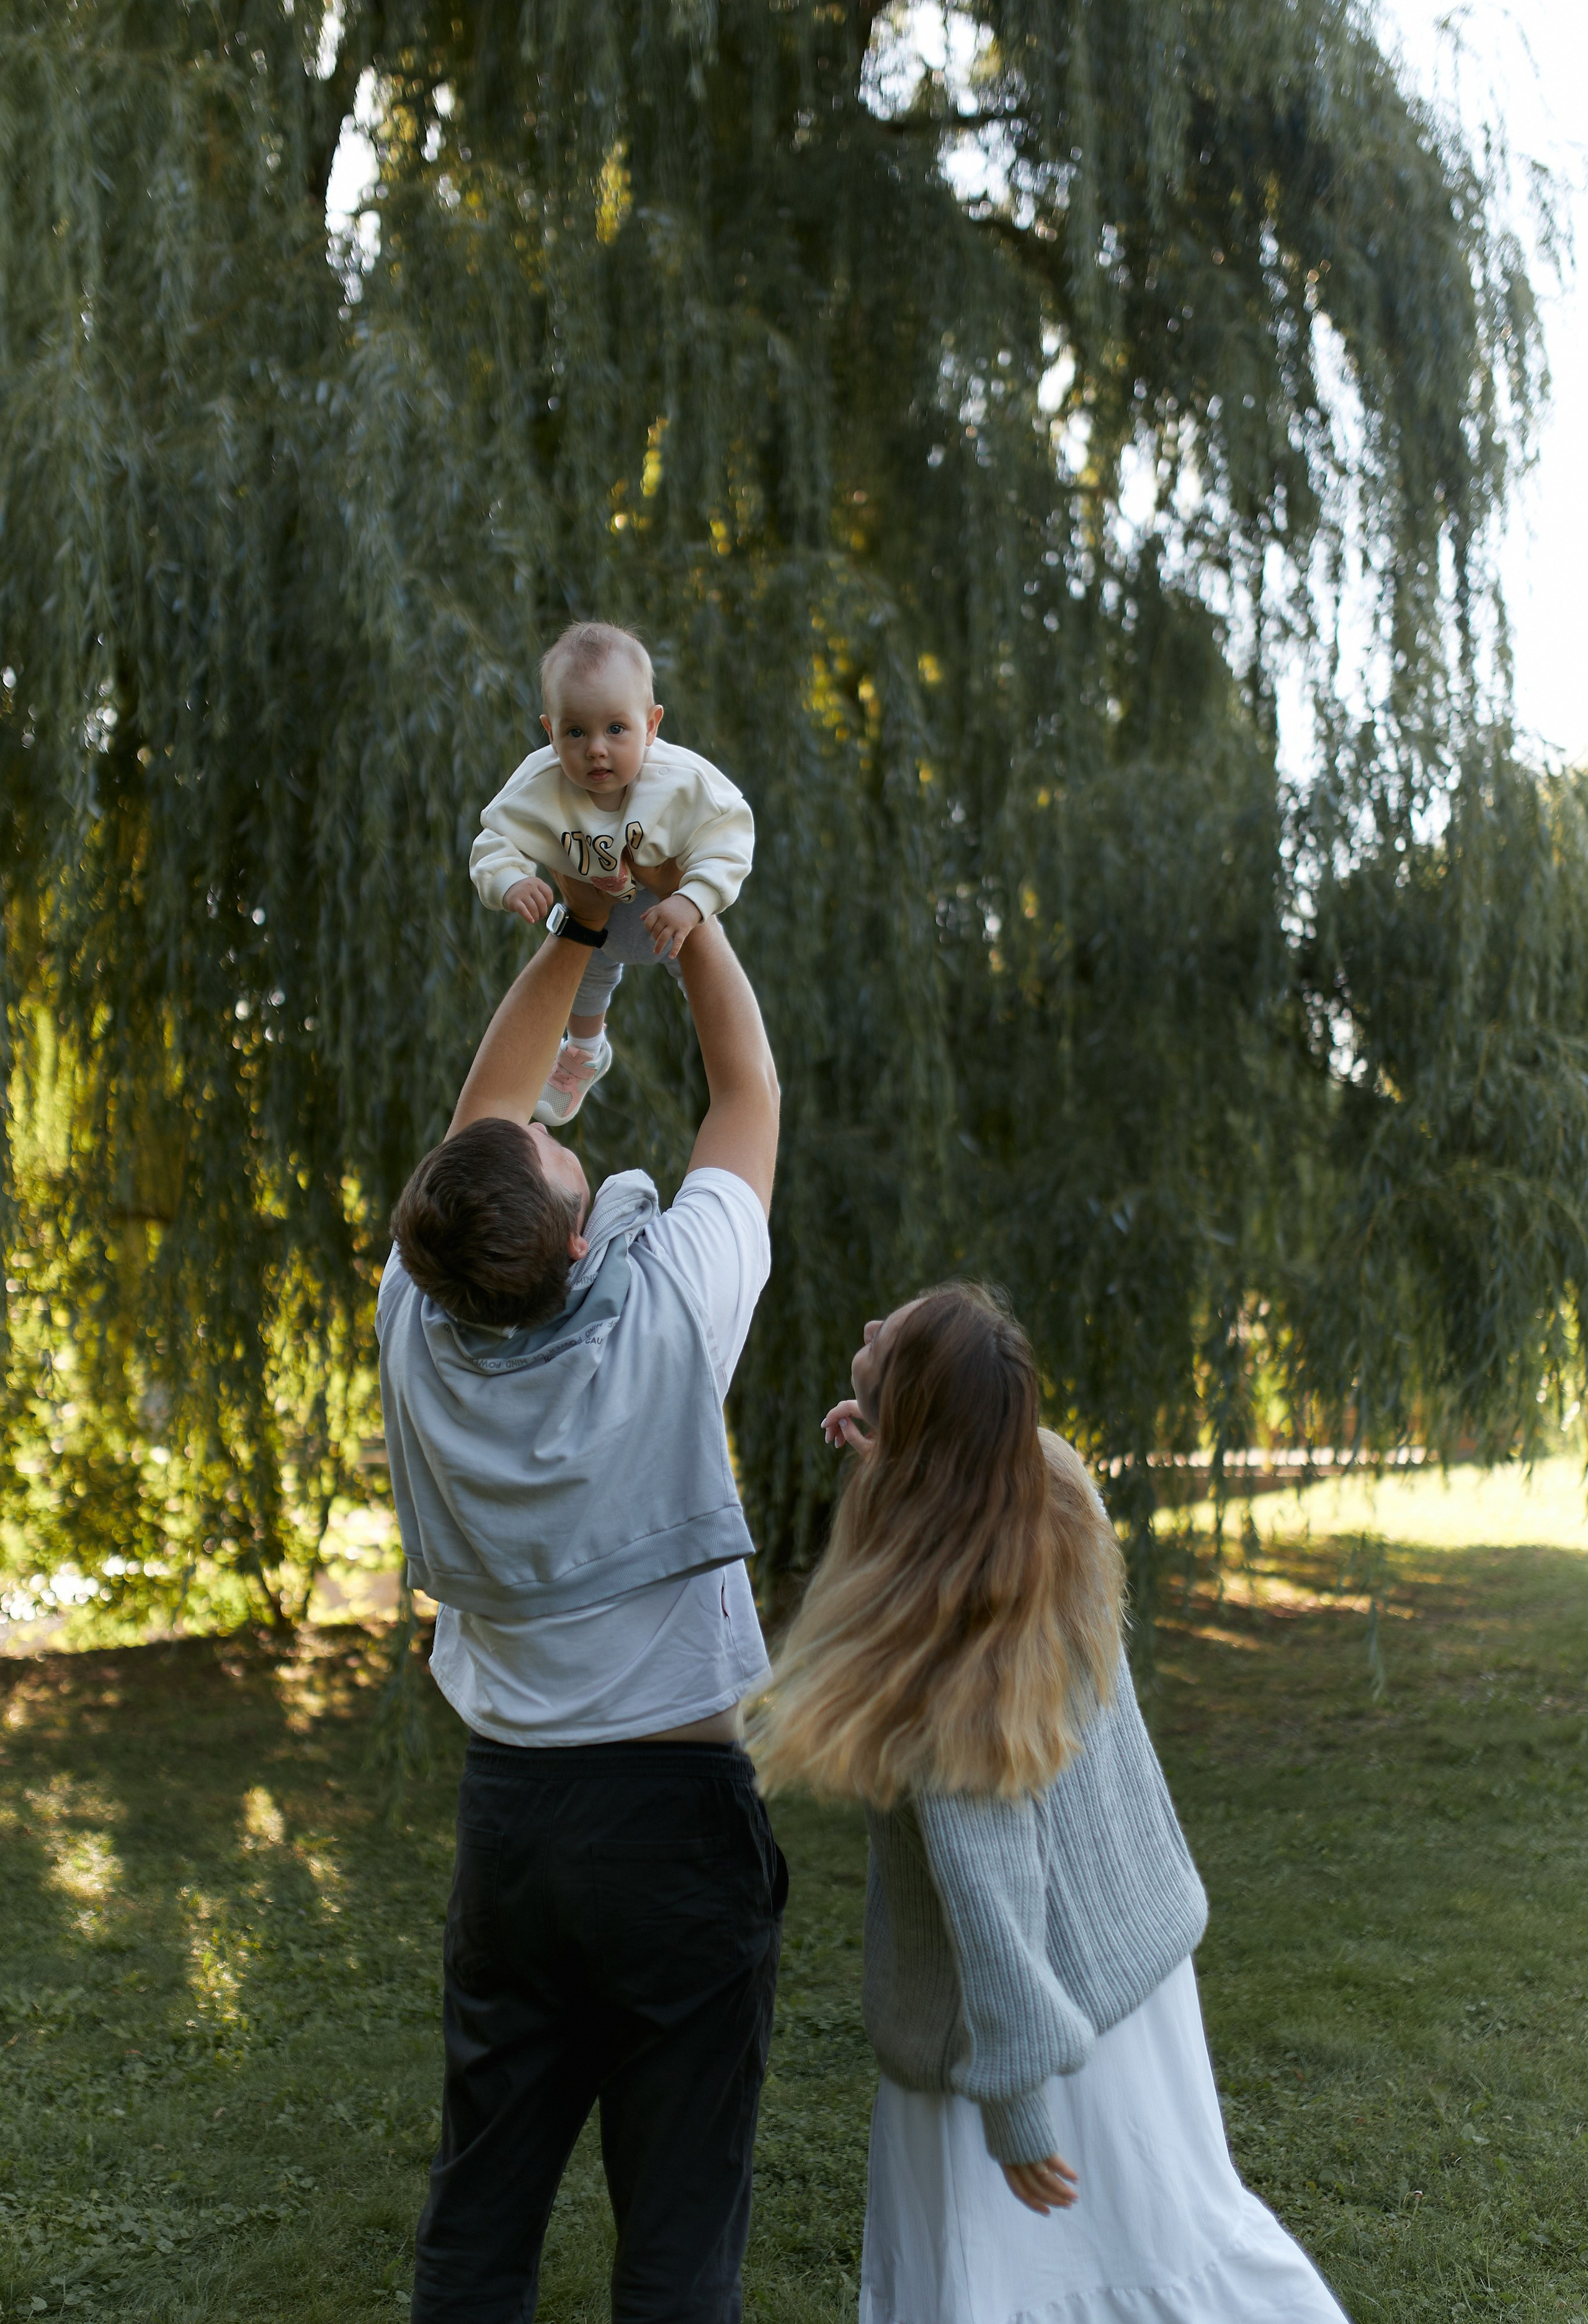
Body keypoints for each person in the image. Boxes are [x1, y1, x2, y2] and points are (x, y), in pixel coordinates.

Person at [752, 1284, 1350, 2324]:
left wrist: (1019, 2099)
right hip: (1134, 1971)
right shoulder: (1051, 1487)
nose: (865, 1329)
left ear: (916, 1417)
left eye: (885, 1339)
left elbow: (990, 1877)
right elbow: (967, 1459)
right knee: (1182, 2228)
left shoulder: (942, 1635)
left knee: (1024, 2279)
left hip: (1029, 2020)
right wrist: (896, 1456)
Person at [376, 861, 784, 2324]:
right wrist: (694, 925)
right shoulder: (667, 1306)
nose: (551, 1131)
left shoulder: (415, 1322)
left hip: (512, 1826)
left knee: (478, 2214)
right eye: (554, 1155)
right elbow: (742, 1100)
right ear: (571, 1241)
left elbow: (485, 1122)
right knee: (676, 2234)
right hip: (671, 1824)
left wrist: (579, 926)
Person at [470, 621, 755, 1126]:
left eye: (616, 729)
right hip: (597, 921)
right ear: (549, 732)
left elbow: (731, 834)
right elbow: (494, 838)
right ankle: (584, 1051)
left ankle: (742, 1075)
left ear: (652, 725)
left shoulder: (680, 780)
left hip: (669, 913)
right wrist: (511, 881)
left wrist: (692, 901)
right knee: (586, 974)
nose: (596, 748)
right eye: (575, 731)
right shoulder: (540, 784)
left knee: (708, 987)